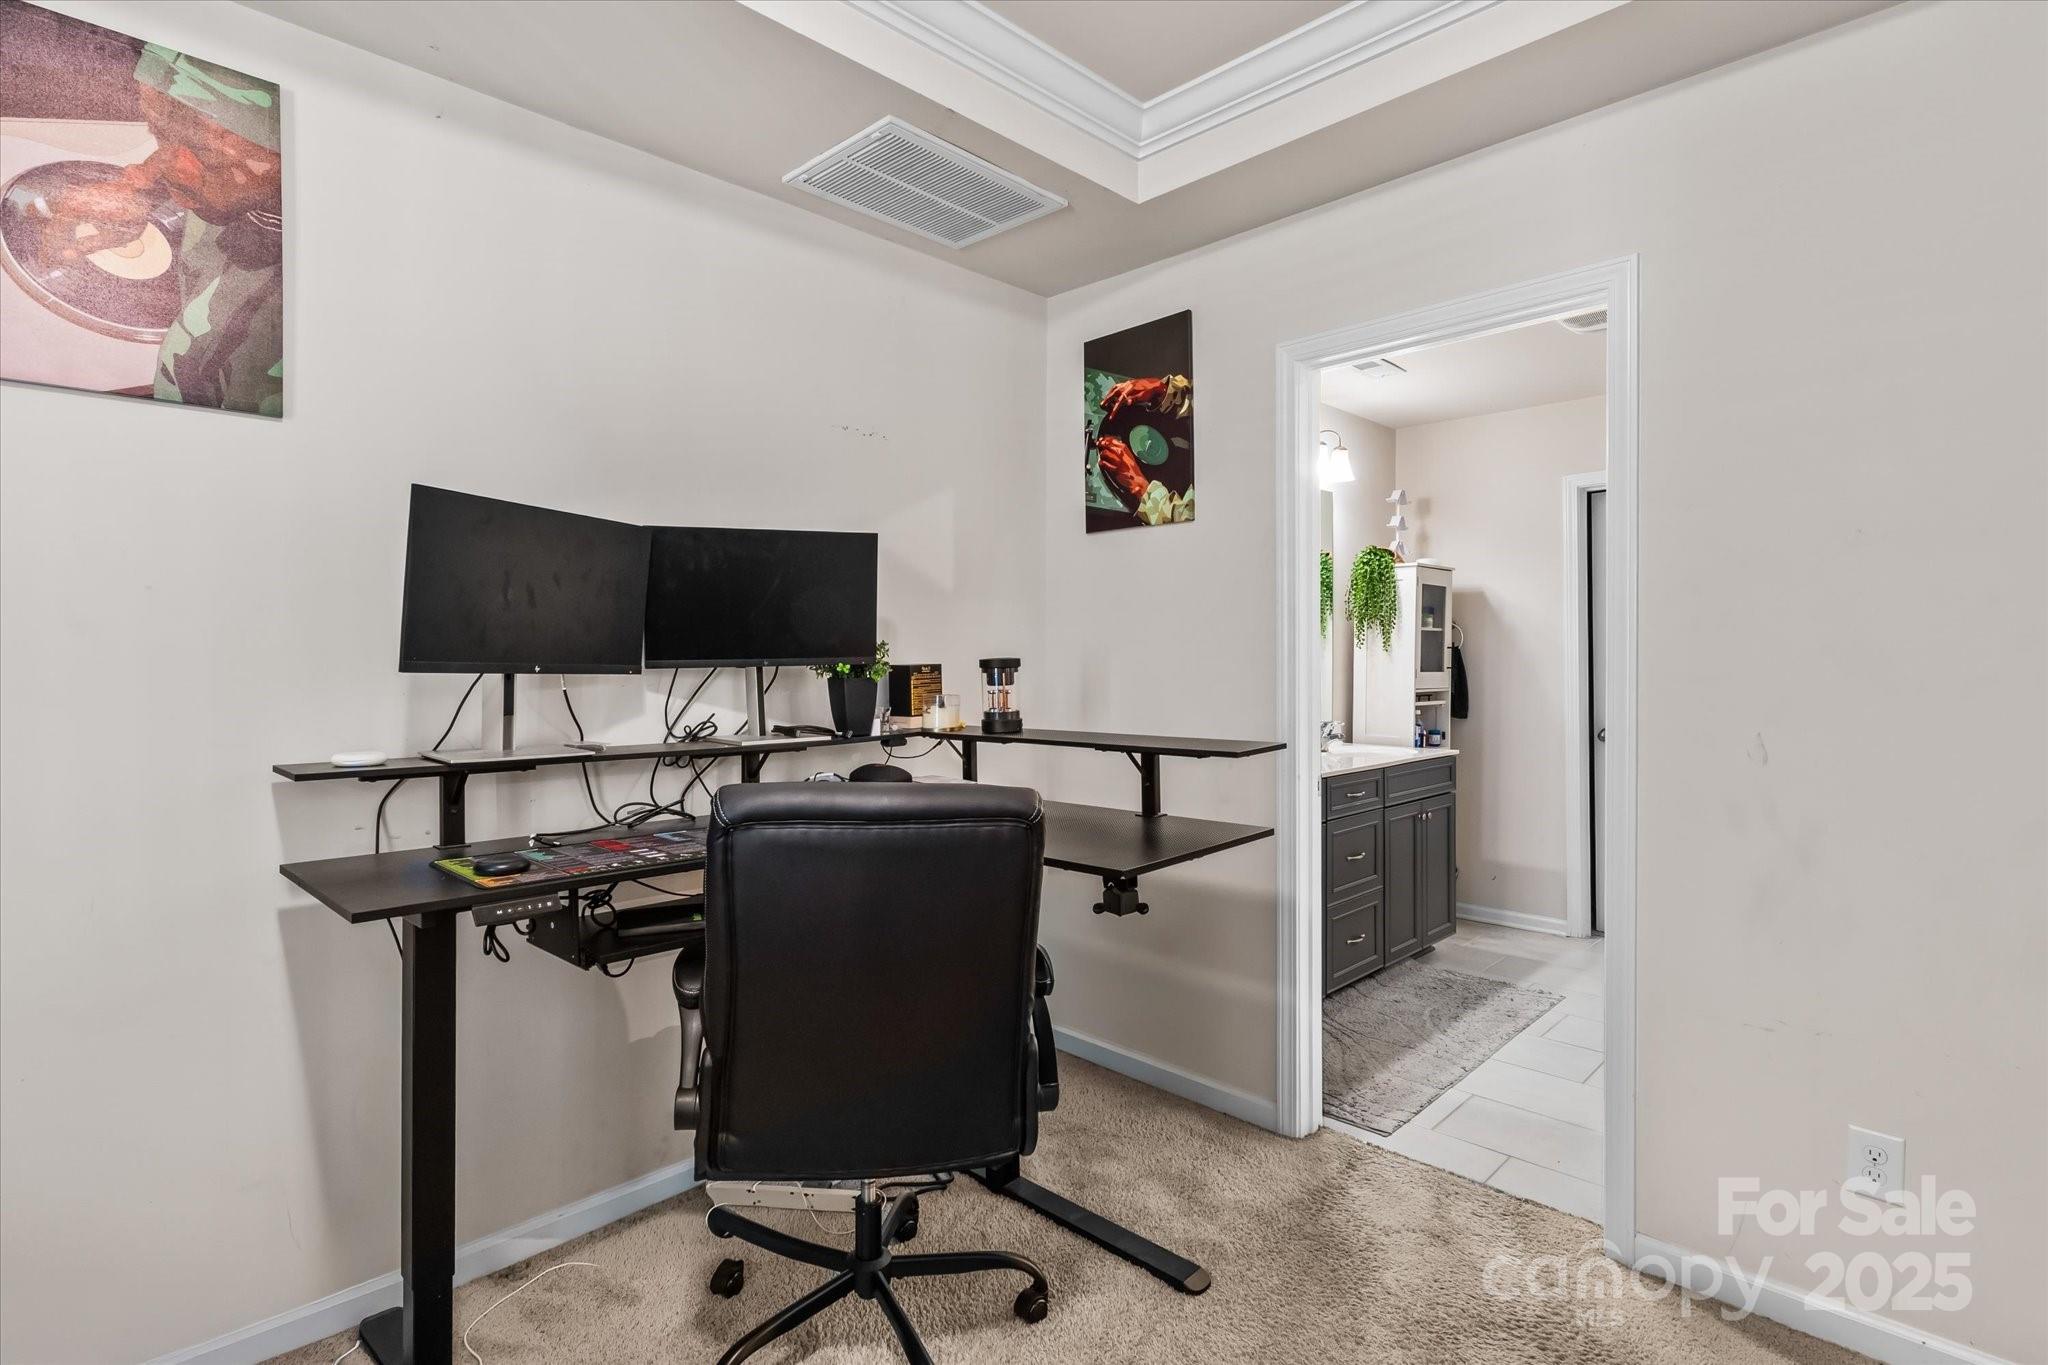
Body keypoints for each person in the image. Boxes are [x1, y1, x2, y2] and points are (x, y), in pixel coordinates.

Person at [39, 43, 282, 416]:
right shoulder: (232, 181)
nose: (175, 166)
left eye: (207, 152)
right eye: (160, 133)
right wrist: (134, 187)